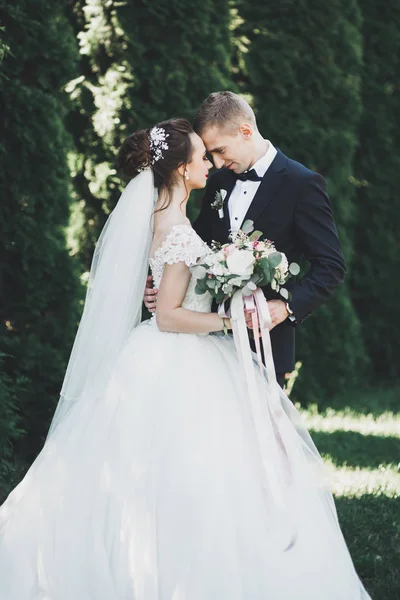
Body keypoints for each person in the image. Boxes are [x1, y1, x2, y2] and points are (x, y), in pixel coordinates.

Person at [0, 118, 371, 599]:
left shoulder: (240, 195)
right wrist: (229, 320)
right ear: (180, 167)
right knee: (189, 468)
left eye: (212, 153)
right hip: (184, 351)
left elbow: (320, 266)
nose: (211, 165)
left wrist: (252, 304)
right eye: (202, 157)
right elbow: (173, 312)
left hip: (191, 349)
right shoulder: (180, 220)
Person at [144, 92, 346, 388]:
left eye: (220, 150)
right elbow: (194, 246)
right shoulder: (219, 181)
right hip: (204, 343)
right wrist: (163, 289)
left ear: (246, 131)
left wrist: (287, 307)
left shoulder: (302, 184)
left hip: (265, 342)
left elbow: (331, 265)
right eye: (209, 154)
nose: (216, 162)